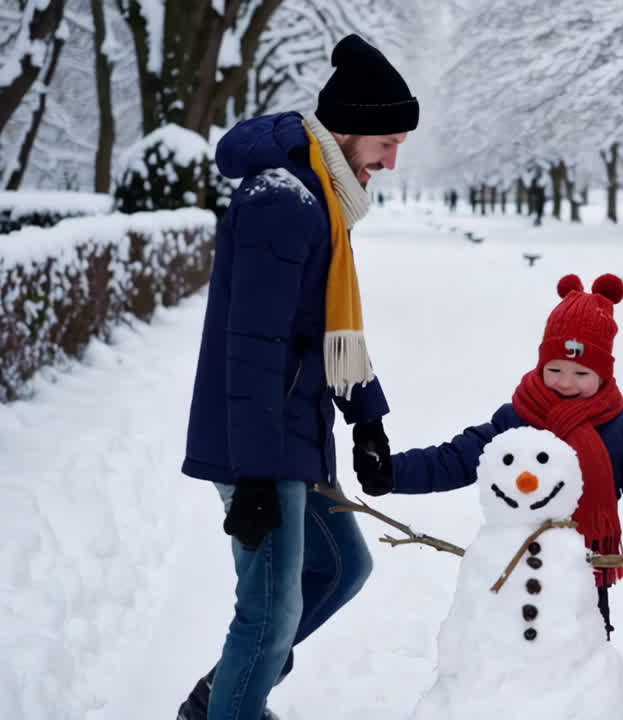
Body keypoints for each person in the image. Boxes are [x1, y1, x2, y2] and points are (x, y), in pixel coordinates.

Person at [177, 34, 418, 720]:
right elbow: (254, 348)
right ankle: (230, 707)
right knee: (268, 611)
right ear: (345, 127)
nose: (392, 161)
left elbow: (324, 328)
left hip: (293, 432)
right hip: (261, 441)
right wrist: (253, 475)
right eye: (387, 141)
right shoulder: (282, 200)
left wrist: (366, 416)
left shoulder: (318, 195)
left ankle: (227, 693)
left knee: (341, 568)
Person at [356, 273, 623, 637]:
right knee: (508, 658)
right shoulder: (520, 415)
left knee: (585, 657)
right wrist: (393, 473)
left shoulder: (619, 428)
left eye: (580, 372)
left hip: (584, 573)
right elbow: (459, 458)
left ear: (604, 374)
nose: (564, 381)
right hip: (514, 567)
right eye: (554, 369)